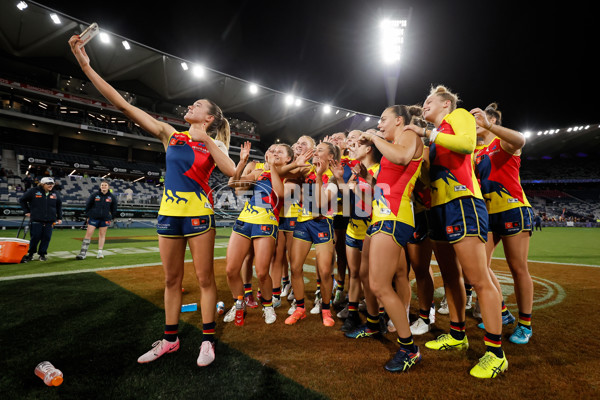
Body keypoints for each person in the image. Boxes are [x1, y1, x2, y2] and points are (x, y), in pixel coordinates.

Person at [69, 35, 235, 367]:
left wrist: (208, 140)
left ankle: (207, 341)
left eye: (197, 105)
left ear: (210, 119)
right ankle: (170, 340)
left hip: (199, 215)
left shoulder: (215, 143)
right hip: (168, 214)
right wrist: (85, 64)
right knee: (171, 280)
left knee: (204, 280)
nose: (191, 105)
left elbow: (230, 170)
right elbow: (123, 105)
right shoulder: (169, 134)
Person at [405, 85, 506, 379]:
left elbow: (466, 144)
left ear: (445, 103)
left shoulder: (458, 116)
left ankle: (496, 354)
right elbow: (428, 177)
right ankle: (458, 334)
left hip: (462, 202)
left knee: (478, 278)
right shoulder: (434, 139)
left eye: (429, 101)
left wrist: (428, 134)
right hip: (438, 208)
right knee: (450, 277)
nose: (424, 106)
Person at [350, 105, 424, 373]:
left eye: (383, 119)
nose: (379, 124)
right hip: (380, 218)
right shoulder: (388, 149)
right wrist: (362, 175)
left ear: (399, 120)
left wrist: (374, 138)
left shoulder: (407, 135)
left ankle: (409, 348)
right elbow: (377, 192)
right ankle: (372, 324)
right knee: (365, 274)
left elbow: (404, 158)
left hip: (394, 218)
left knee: (381, 284)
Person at [472, 103, 534, 344]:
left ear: (490, 121)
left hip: (512, 209)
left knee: (518, 268)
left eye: (477, 118)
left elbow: (520, 140)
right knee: (480, 267)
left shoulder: (502, 143)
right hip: (486, 214)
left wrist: (489, 126)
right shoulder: (475, 152)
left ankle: (525, 324)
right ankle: (503, 312)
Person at [222, 142, 290, 325]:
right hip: (245, 221)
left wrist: (273, 168)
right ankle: (239, 303)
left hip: (266, 223)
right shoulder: (259, 173)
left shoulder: (289, 173)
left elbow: (280, 194)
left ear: (288, 158)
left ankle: (267, 306)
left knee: (261, 272)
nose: (274, 153)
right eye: (272, 150)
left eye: (279, 152)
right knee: (230, 270)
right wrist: (242, 162)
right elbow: (233, 184)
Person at [284, 142, 338, 327]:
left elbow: (319, 208)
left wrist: (319, 176)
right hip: (302, 222)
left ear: (330, 157)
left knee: (324, 271)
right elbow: (281, 175)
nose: (316, 151)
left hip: (322, 222)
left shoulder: (334, 177)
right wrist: (296, 163)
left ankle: (325, 308)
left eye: (320, 149)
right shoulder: (305, 170)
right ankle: (300, 308)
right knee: (295, 267)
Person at [19, 177, 63, 262]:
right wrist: (26, 211)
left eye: (52, 184)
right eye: (48, 184)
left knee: (46, 238)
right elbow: (22, 200)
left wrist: (59, 217)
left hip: (50, 220)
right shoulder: (33, 191)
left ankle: (42, 254)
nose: (51, 185)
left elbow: (59, 206)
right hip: (36, 219)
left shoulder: (55, 193)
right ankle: (31, 254)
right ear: (43, 184)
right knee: (35, 237)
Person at [76, 181, 118, 260]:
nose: (104, 186)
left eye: (105, 185)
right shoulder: (95, 195)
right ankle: (83, 253)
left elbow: (114, 208)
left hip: (105, 219)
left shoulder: (112, 197)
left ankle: (99, 253)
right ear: (100, 186)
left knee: (102, 235)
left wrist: (111, 217)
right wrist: (88, 216)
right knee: (88, 234)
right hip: (94, 218)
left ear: (108, 187)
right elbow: (88, 205)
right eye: (102, 185)